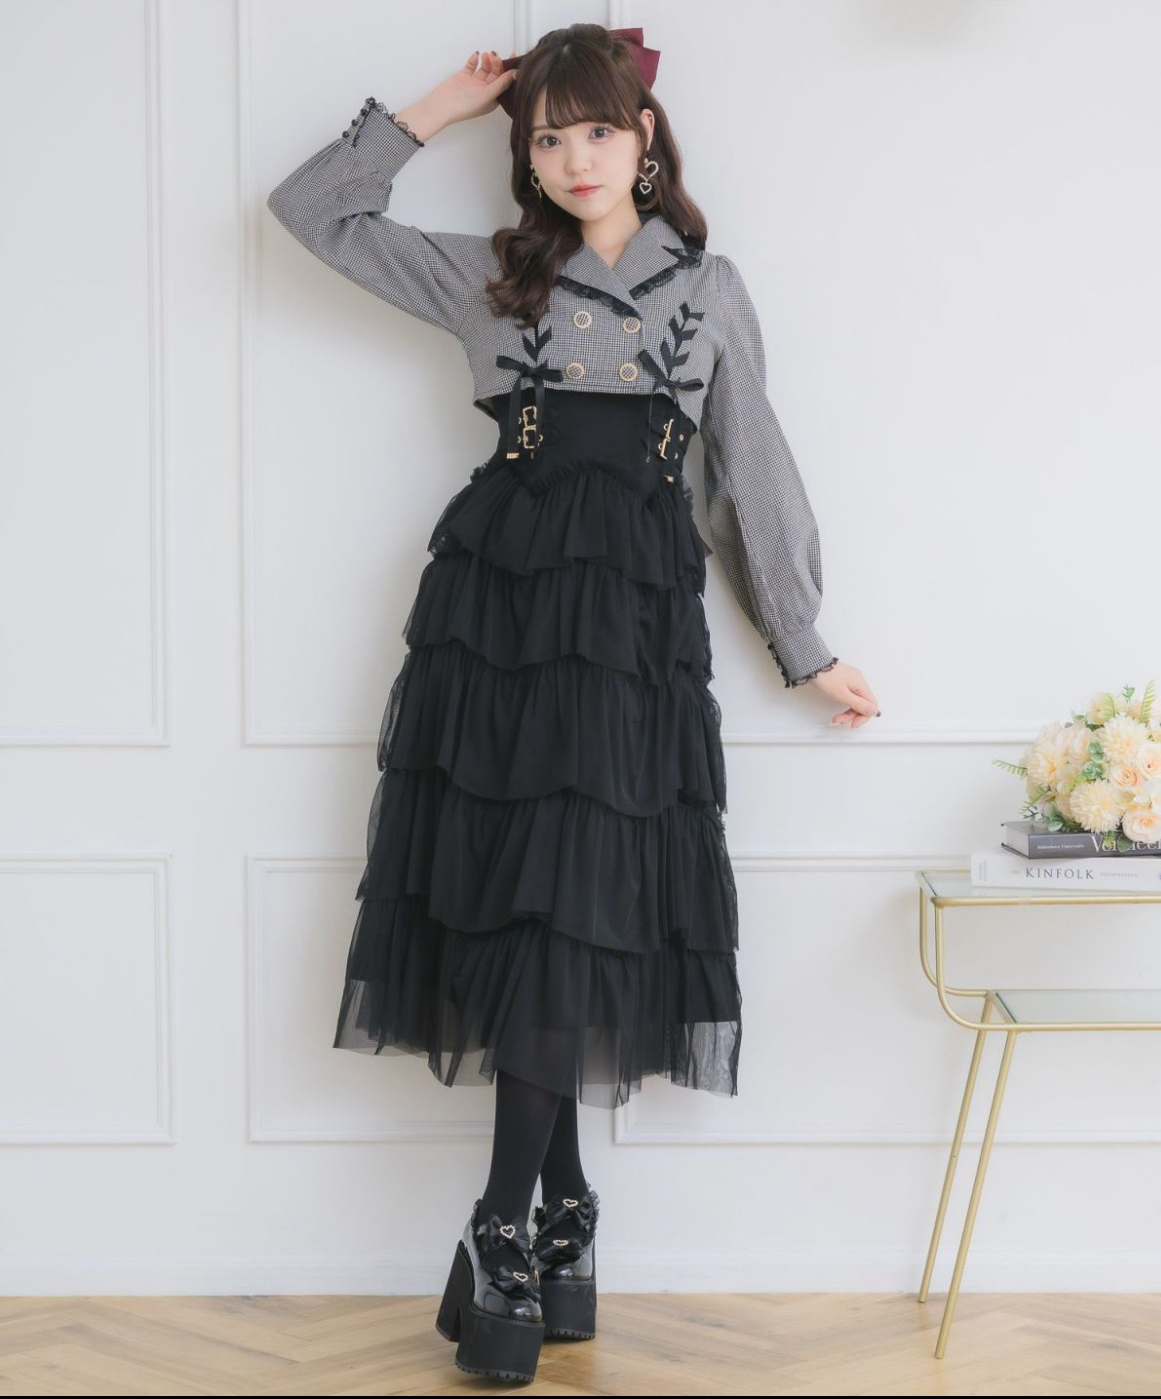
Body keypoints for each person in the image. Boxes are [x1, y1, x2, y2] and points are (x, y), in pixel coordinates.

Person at [267, 23, 880, 1384]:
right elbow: (312, 212)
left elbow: (747, 469)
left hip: (632, 632)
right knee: (526, 908)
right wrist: (440, 106)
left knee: (574, 910)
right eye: (546, 137)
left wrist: (801, 641)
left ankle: (514, 1222)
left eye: (595, 128)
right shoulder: (491, 277)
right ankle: (554, 1220)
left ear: (644, 135)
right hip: (499, 620)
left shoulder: (708, 289)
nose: (572, 156)